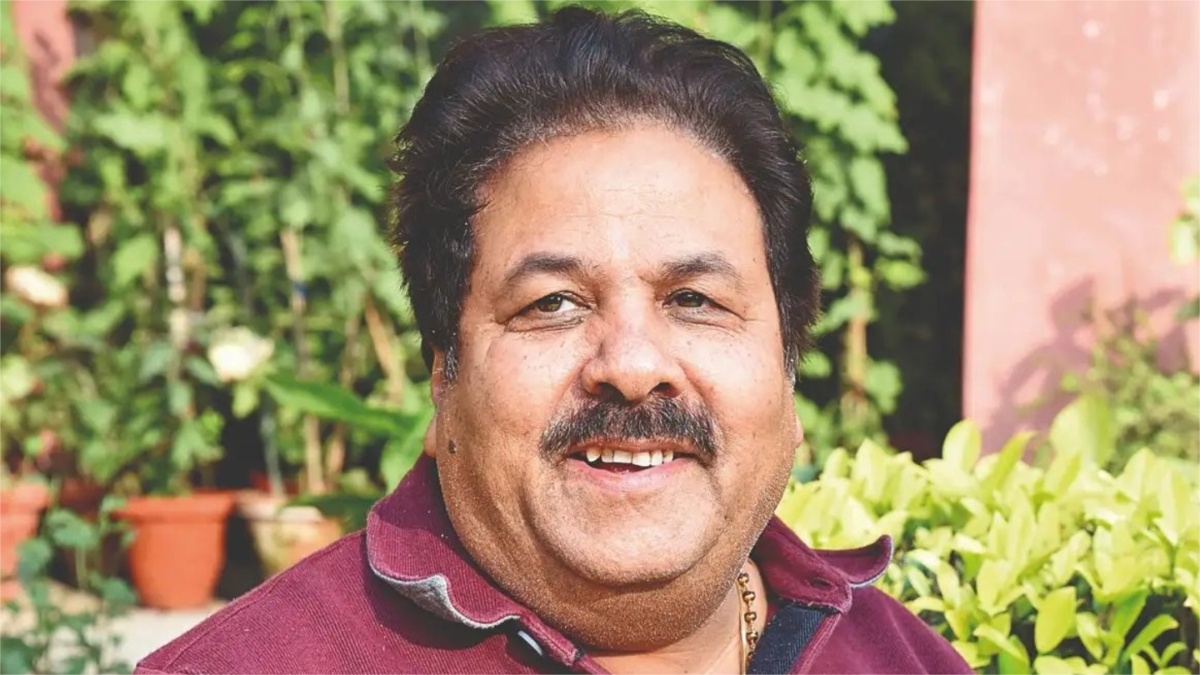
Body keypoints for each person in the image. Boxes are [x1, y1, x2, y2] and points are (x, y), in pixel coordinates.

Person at [136, 7, 972, 675]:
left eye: (694, 299)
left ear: (787, 369)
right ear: (443, 375)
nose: (633, 365)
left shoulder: (899, 656)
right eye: (554, 304)